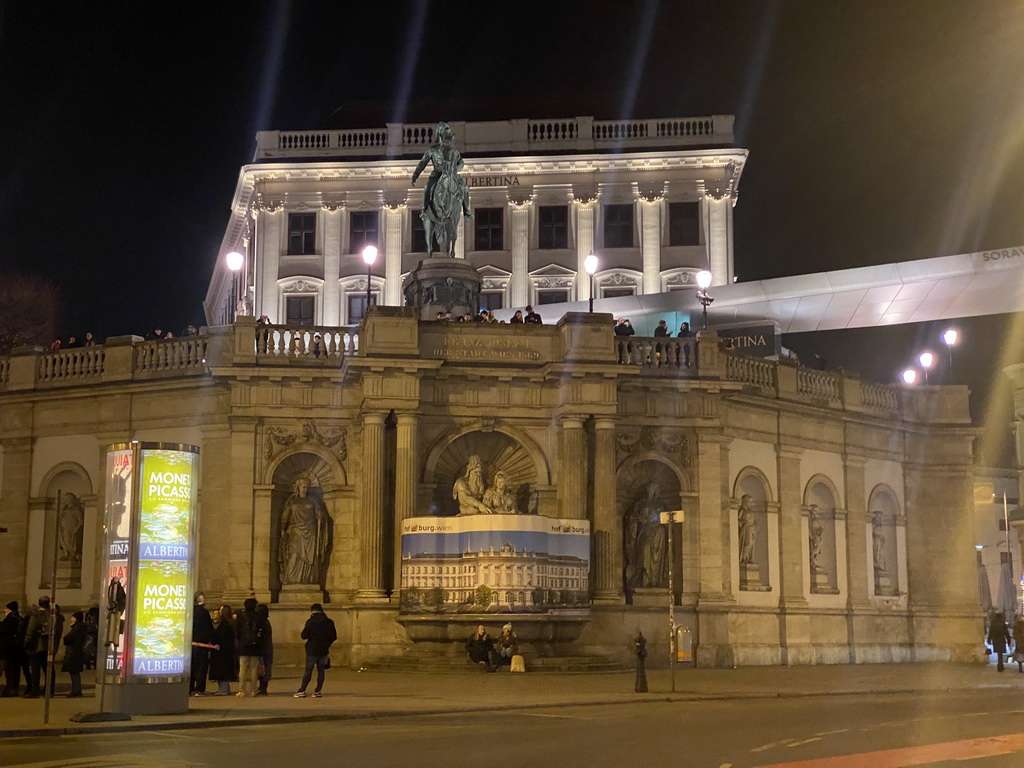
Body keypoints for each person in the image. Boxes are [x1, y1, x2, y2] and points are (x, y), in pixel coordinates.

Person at [279, 476, 330, 585]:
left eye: (307, 487)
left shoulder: (313, 499)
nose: (305, 489)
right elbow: (285, 516)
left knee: (311, 557)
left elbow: (319, 513)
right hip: (296, 530)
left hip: (311, 531)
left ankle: (309, 579)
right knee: (294, 554)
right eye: (303, 487)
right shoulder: (292, 500)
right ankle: (292, 579)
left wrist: (321, 515)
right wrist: (283, 529)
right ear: (298, 487)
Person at [294, 603, 337, 698]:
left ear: (312, 611)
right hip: (323, 649)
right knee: (321, 671)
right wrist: (327, 644)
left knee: (308, 671)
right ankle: (317, 691)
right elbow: (334, 636)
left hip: (312, 649)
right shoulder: (329, 622)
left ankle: (302, 690)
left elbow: (303, 635)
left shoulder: (311, 622)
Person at [23, 596, 61, 698]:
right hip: (49, 645)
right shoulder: (53, 615)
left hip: (37, 646)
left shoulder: (36, 615)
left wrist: (26, 643)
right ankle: (49, 690)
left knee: (35, 668)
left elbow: (30, 631)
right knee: (49, 668)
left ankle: (34, 690)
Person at [235, 598, 268, 697]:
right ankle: (253, 690)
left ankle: (241, 690)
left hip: (243, 646)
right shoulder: (259, 617)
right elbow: (263, 632)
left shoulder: (240, 617)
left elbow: (236, 632)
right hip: (255, 647)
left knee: (243, 669)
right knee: (254, 669)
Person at [190, 591, 215, 696]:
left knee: (191, 667)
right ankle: (199, 689)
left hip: (190, 643)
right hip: (201, 644)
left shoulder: (189, 611)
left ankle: (190, 688)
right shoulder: (204, 612)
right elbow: (208, 629)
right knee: (201, 668)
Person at [209, 605, 236, 695]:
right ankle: (224, 689)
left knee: (222, 670)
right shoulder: (229, 622)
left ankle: (223, 690)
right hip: (226, 650)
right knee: (223, 670)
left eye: (220, 610)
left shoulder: (225, 623)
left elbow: (219, 636)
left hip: (222, 650)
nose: (219, 612)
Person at [61, 611, 87, 697]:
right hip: (76, 653)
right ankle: (76, 690)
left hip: (74, 653)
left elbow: (68, 638)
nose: (71, 619)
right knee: (75, 672)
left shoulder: (77, 628)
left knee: (74, 672)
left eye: (73, 618)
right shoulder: (81, 627)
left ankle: (76, 690)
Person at [1, 601, 22, 696]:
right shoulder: (19, 618)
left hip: (6, 649)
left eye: (6, 609)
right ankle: (12, 689)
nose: (5, 610)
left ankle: (10, 690)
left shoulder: (10, 619)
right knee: (11, 671)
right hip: (14, 649)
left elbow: (4, 631)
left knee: (5, 669)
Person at [256, 604, 273, 695]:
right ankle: (263, 686)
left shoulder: (262, 623)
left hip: (263, 649)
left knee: (262, 669)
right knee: (265, 668)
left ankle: (263, 687)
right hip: (267, 648)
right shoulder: (266, 622)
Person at [737, 494, 758, 565]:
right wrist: (743, 523)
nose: (751, 504)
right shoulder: (742, 510)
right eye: (750, 502)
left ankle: (749, 558)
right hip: (746, 529)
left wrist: (755, 525)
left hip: (752, 529)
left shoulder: (750, 511)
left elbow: (754, 520)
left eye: (752, 502)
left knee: (751, 544)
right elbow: (738, 519)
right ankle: (743, 558)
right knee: (747, 543)